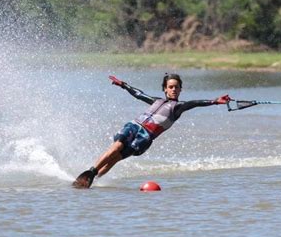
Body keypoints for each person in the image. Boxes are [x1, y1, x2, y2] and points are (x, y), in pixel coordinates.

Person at [73, 74, 231, 188]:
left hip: (145, 137)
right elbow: (138, 94)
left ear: (181, 89)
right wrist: (123, 85)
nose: (174, 89)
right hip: (133, 126)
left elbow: (195, 103)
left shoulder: (178, 108)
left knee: (115, 158)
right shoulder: (157, 100)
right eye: (171, 87)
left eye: (177, 87)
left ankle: (93, 179)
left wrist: (215, 101)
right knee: (115, 147)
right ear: (165, 89)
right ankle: (91, 172)